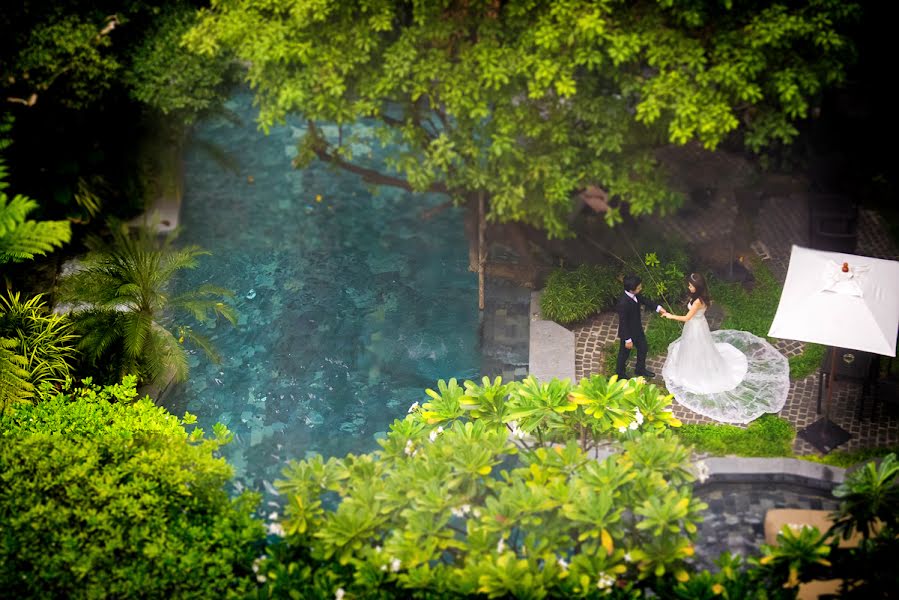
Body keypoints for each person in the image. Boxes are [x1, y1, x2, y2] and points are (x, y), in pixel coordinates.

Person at [661, 272, 790, 424]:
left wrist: (670, 316)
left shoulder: (697, 302)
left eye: (690, 286)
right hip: (698, 325)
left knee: (696, 346)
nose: (688, 287)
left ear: (698, 287)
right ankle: (698, 362)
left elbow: (687, 318)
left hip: (695, 326)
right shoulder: (701, 298)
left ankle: (699, 370)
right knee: (698, 347)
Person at [616, 274, 666, 380]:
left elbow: (644, 300)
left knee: (643, 348)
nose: (640, 289)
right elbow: (623, 323)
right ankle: (620, 375)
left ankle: (640, 369)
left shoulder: (635, 295)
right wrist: (627, 339)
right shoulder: (623, 303)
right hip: (628, 333)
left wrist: (658, 308)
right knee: (623, 355)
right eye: (638, 288)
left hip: (637, 329)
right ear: (631, 290)